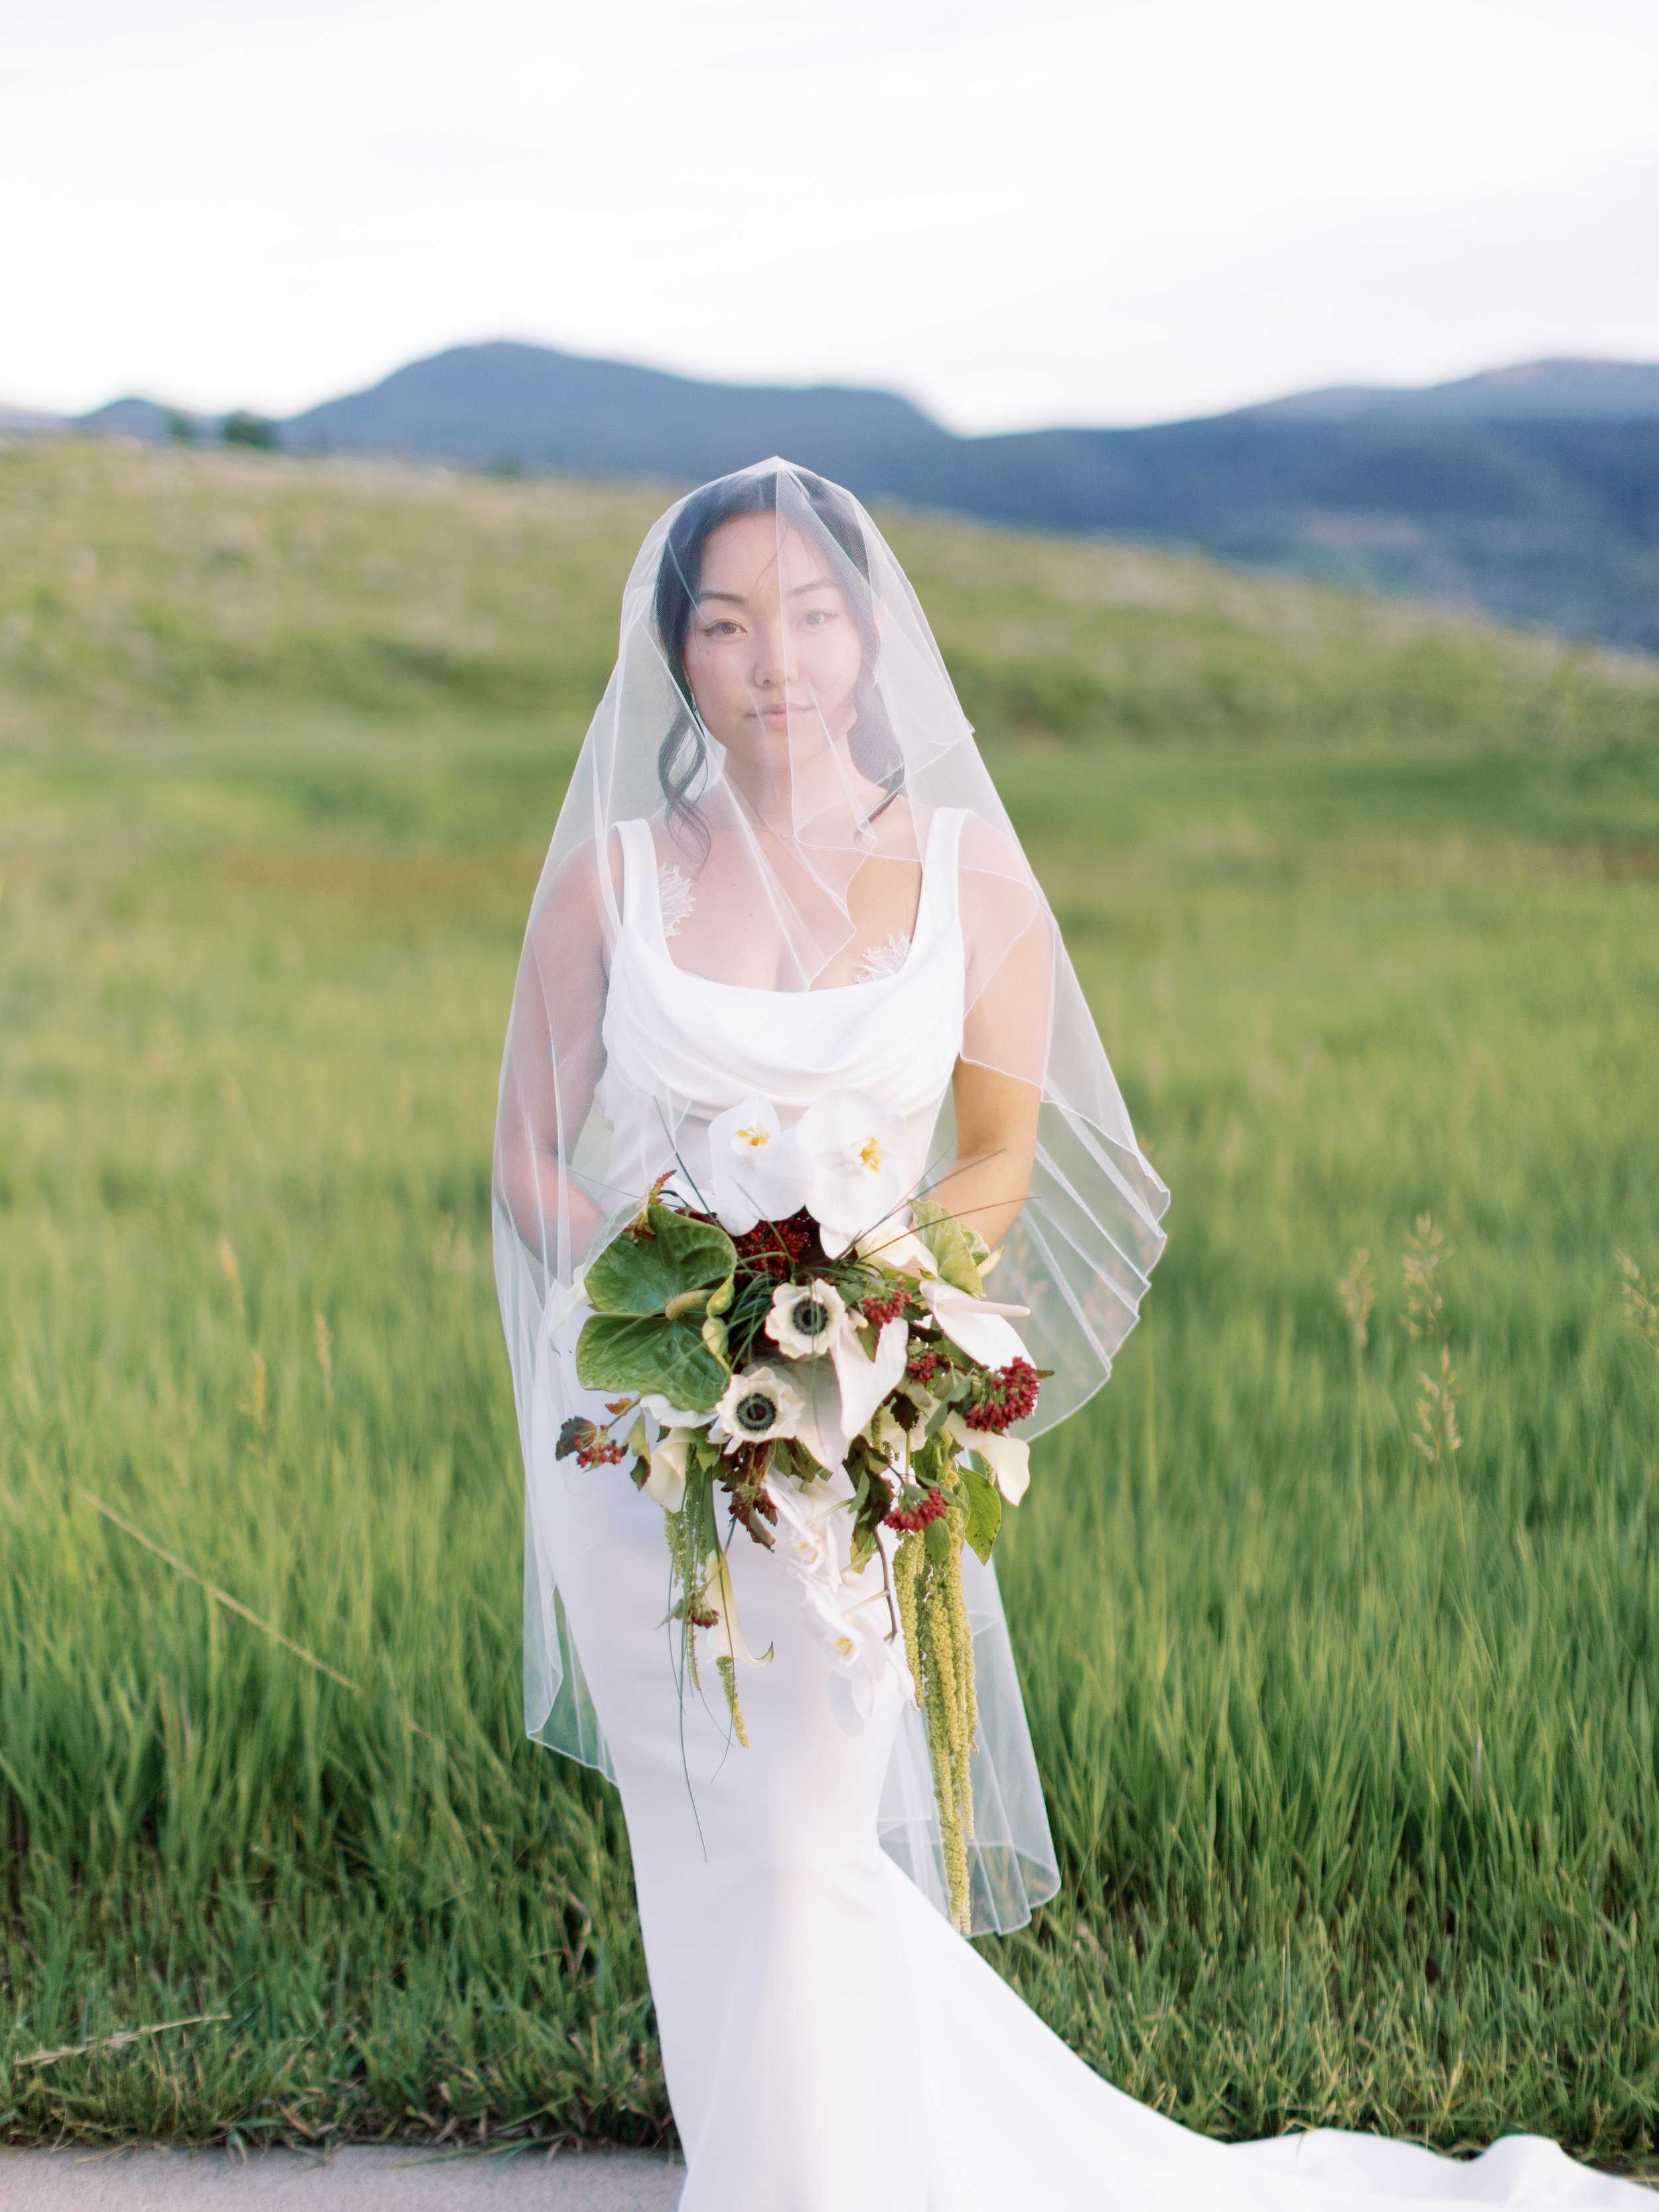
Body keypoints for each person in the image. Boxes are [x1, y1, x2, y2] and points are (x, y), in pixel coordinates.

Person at [492, 461, 1638, 2211]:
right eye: (723, 624)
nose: (770, 658)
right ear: (678, 657)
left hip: (854, 1429)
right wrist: (679, 1329)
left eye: (806, 615)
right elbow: (522, 1156)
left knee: (806, 1840)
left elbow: (1001, 1155)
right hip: (642, 1442)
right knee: (713, 1852)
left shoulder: (969, 881)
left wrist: (849, 1342)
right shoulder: (610, 882)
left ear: (866, 639)